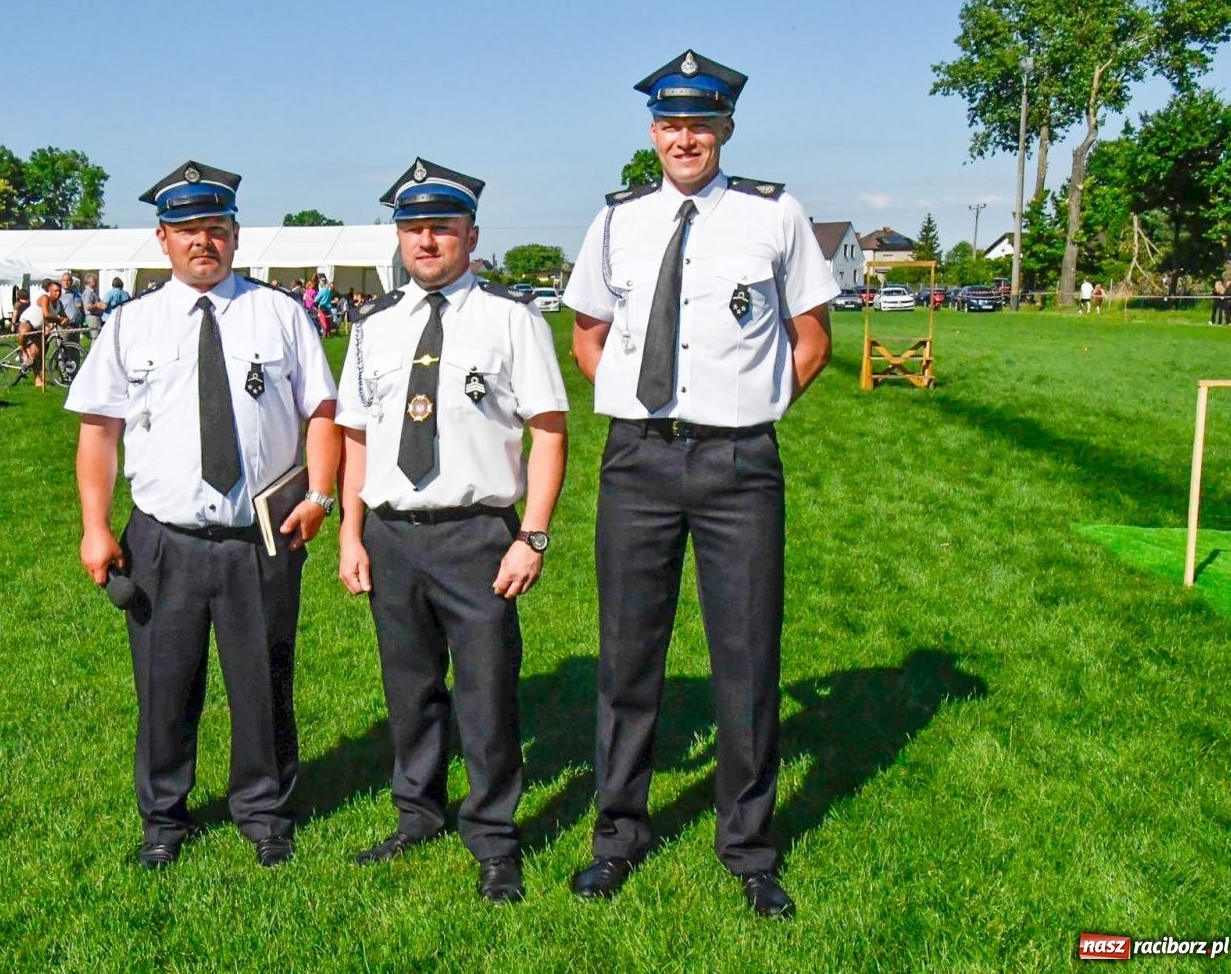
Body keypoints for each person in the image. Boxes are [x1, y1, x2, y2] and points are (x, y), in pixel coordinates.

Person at [561, 50, 839, 917]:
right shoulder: (617, 220)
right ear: (653, 134)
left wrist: (753, 406)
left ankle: (748, 848)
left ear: (726, 129)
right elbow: (587, 334)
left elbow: (812, 338)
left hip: (737, 467)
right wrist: (638, 407)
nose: (685, 139)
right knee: (627, 657)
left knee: (747, 660)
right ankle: (617, 835)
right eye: (671, 125)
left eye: (701, 125)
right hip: (638, 461)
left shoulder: (774, 215)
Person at [67, 160, 339, 871]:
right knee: (165, 684)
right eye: (187, 230)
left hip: (261, 536)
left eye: (215, 228)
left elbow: (322, 411)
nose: (203, 242)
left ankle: (264, 810)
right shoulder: (130, 324)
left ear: (236, 236)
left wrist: (320, 497)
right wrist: (96, 525)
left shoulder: (281, 315)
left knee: (264, 681)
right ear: (162, 240)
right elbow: (98, 432)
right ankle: (164, 817)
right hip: (164, 539)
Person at [336, 159, 569, 904]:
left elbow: (549, 430)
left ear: (472, 234)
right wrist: (350, 532)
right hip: (392, 535)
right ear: (398, 237)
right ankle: (418, 813)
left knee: (487, 692)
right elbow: (355, 436)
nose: (426, 240)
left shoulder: (512, 318)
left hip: (477, 535)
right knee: (409, 687)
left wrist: (532, 535)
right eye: (413, 227)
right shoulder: (372, 326)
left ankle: (493, 836)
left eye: (441, 226)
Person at [17, 280, 63, 388]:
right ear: (49, 291)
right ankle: (23, 351)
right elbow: (46, 314)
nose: (58, 293)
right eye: (55, 291)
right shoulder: (44, 298)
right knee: (24, 331)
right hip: (28, 321)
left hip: (39, 328)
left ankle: (38, 379)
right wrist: (60, 320)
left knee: (36, 354)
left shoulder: (59, 304)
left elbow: (63, 316)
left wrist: (66, 320)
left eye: (59, 291)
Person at [82, 274, 105, 340]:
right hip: (93, 317)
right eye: (95, 281)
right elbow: (88, 307)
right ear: (89, 282)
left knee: (98, 338)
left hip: (96, 317)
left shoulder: (93, 292)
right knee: (96, 338)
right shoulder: (88, 292)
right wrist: (97, 304)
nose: (97, 282)